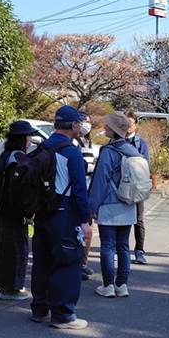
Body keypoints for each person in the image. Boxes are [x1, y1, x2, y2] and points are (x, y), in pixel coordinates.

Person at [29, 105, 92, 330]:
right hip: (65, 212)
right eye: (79, 124)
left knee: (42, 260)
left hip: (42, 212)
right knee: (68, 261)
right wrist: (84, 221)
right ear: (74, 125)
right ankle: (63, 314)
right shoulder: (71, 152)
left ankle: (40, 308)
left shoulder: (43, 147)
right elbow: (79, 189)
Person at [88, 112, 140, 298]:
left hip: (109, 203)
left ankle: (108, 286)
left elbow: (100, 180)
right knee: (124, 246)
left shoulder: (109, 151)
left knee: (108, 246)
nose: (105, 128)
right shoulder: (133, 150)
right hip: (128, 202)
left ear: (115, 130)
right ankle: (122, 285)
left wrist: (92, 206)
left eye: (108, 126)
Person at [0, 120, 38, 300]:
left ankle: (1, 284)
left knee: (2, 249)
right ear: (22, 138)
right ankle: (11, 289)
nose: (31, 140)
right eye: (29, 136)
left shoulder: (5, 154)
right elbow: (21, 190)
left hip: (1, 209)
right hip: (14, 212)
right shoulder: (19, 158)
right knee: (17, 250)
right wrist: (28, 212)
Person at [124, 112, 150, 264]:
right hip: (121, 187)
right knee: (122, 219)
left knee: (138, 219)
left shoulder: (141, 143)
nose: (128, 126)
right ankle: (122, 249)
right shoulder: (116, 141)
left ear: (136, 125)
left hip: (137, 187)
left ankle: (139, 250)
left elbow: (145, 164)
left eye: (130, 123)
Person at [75, 113, 96, 281]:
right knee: (81, 228)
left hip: (88, 189)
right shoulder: (73, 142)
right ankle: (77, 264)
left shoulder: (88, 142)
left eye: (88, 123)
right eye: (83, 122)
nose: (86, 125)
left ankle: (83, 262)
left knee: (88, 229)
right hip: (78, 190)